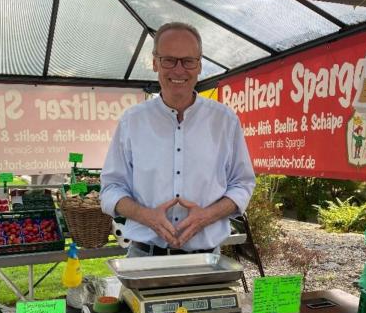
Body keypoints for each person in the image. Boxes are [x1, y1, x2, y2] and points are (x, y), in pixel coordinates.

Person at [100, 22, 255, 256]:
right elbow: (111, 189)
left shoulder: (224, 121)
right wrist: (146, 216)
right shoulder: (132, 121)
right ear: (155, 63)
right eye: (169, 60)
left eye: (188, 61)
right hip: (144, 258)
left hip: (206, 261)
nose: (179, 70)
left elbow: (242, 184)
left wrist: (207, 216)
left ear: (200, 64)